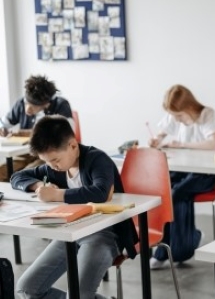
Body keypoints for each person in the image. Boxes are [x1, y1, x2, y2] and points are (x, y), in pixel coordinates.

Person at [10, 115, 138, 299]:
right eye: (47, 162)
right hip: (70, 233)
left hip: (104, 233)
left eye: (55, 160)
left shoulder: (97, 159)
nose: (52, 166)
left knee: (78, 294)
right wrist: (38, 186)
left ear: (73, 146)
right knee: (26, 289)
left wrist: (57, 195)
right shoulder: (54, 168)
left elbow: (100, 192)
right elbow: (17, 177)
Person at [148, 84, 215, 269]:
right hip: (183, 169)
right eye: (174, 116)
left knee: (177, 193)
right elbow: (162, 132)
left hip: (206, 173)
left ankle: (173, 250)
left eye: (179, 116)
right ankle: (185, 242)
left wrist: (181, 144)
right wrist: (157, 139)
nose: (177, 120)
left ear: (189, 106)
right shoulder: (175, 115)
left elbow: (214, 143)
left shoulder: (207, 114)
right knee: (163, 190)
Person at [0, 75, 74, 181]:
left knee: (24, 175)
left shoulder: (61, 105)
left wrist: (24, 133)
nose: (27, 109)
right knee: (2, 171)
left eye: (33, 105)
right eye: (26, 102)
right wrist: (2, 128)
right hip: (25, 153)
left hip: (49, 155)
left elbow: (67, 134)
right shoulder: (20, 103)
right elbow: (4, 123)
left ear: (46, 104)